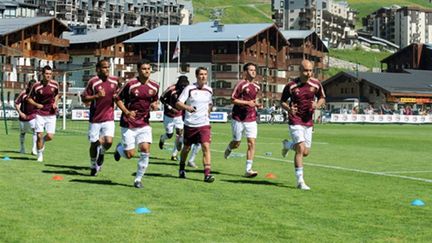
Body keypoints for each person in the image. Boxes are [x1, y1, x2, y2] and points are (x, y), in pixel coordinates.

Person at [113, 59, 159, 189]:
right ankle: (119, 149)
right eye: (144, 69)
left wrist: (154, 105)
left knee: (145, 149)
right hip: (129, 123)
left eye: (149, 69)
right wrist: (127, 112)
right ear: (138, 70)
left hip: (144, 123)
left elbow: (154, 100)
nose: (147, 71)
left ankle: (138, 179)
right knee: (129, 155)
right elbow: (117, 98)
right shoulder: (130, 84)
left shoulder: (155, 86)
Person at [280, 60, 325, 190]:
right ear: (300, 70)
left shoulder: (316, 84)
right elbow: (282, 101)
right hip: (295, 120)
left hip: (308, 122)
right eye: (306, 70)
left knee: (306, 152)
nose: (309, 73)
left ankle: (287, 145)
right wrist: (289, 109)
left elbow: (322, 98)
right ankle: (300, 181)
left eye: (311, 70)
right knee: (300, 148)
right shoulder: (291, 85)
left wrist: (317, 104)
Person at [175, 67, 214, 182]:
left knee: (206, 147)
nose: (203, 77)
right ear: (197, 76)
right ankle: (182, 168)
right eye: (201, 74)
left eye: (205, 74)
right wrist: (187, 107)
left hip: (204, 124)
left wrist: (208, 112)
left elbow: (210, 104)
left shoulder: (209, 90)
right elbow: (178, 103)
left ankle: (207, 174)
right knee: (186, 148)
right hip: (190, 124)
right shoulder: (189, 89)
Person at [223, 63, 262, 177]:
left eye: (254, 70)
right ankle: (229, 147)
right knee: (237, 143)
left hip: (251, 118)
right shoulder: (240, 84)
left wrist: (257, 104)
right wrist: (247, 103)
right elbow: (232, 99)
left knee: (251, 143)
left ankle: (248, 170)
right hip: (238, 118)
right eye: (251, 70)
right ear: (245, 72)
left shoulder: (257, 86)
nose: (253, 72)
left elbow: (255, 99)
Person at [81, 60, 119, 176]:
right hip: (95, 119)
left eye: (108, 67)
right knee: (94, 144)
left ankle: (102, 153)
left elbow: (118, 96)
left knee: (109, 141)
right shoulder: (92, 82)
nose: (107, 69)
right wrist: (96, 96)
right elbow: (84, 99)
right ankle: (93, 165)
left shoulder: (115, 81)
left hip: (109, 117)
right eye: (104, 67)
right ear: (98, 69)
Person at [27, 65, 60, 162]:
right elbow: (29, 98)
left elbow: (58, 95)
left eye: (50, 74)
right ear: (42, 74)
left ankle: (43, 142)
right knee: (39, 135)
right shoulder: (36, 86)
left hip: (51, 114)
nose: (48, 76)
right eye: (46, 74)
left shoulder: (55, 84)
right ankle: (40, 155)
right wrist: (37, 104)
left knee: (50, 136)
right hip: (40, 113)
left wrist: (55, 103)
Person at [158, 75, 189, 162]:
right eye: (182, 85)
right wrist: (171, 108)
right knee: (169, 135)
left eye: (185, 85)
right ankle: (162, 138)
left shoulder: (187, 90)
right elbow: (161, 98)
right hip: (168, 115)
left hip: (179, 116)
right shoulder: (171, 89)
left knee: (180, 134)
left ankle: (174, 155)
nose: (183, 86)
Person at [15, 79, 38, 155]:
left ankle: (34, 149)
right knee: (22, 133)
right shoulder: (24, 93)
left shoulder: (37, 94)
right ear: (29, 86)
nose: (33, 88)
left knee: (35, 131)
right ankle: (22, 148)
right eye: (32, 86)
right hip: (23, 117)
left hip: (33, 116)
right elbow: (16, 103)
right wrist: (20, 112)